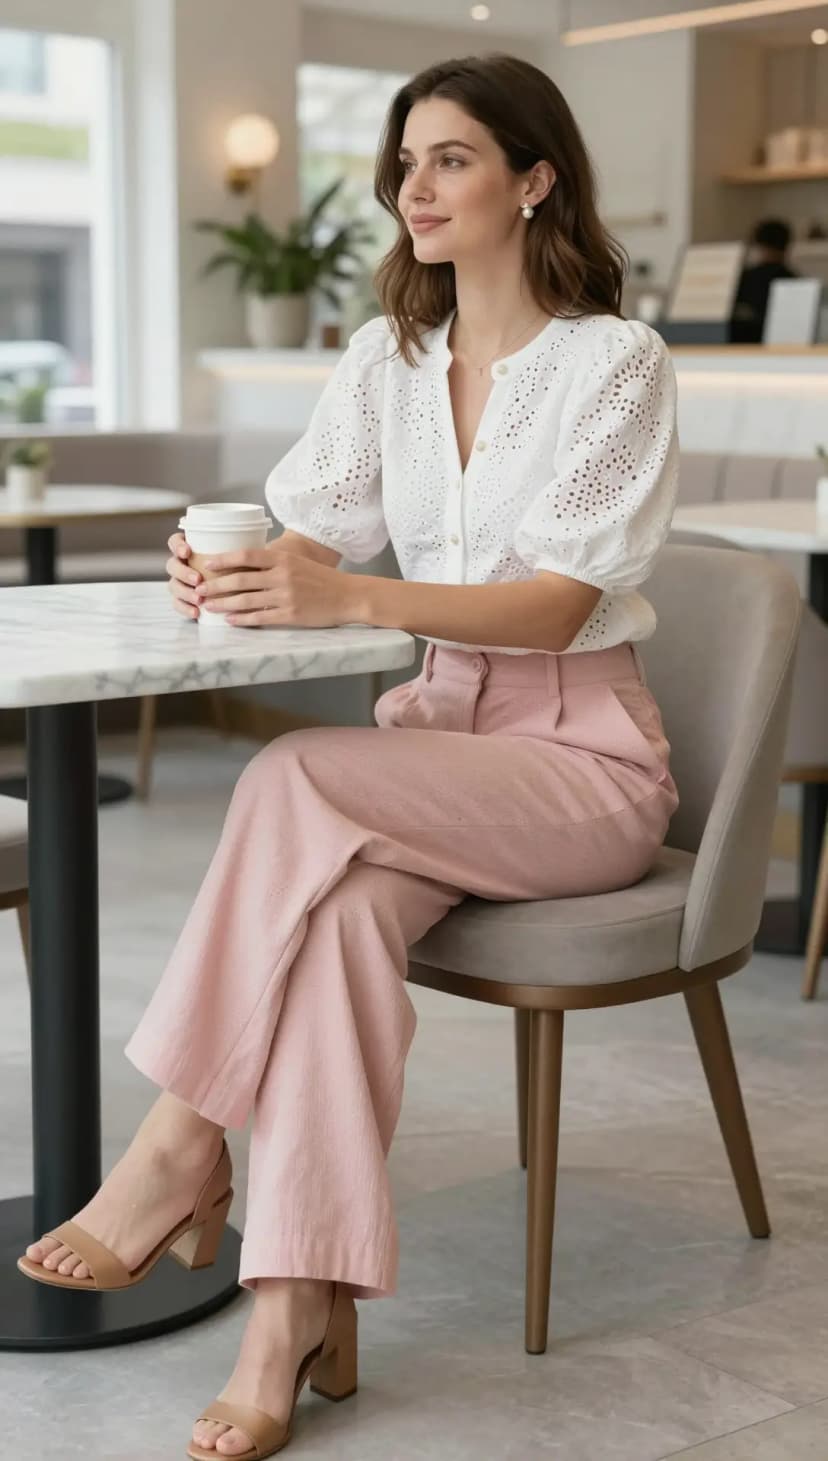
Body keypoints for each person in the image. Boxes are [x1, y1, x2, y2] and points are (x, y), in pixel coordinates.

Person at [16, 53, 681, 1460]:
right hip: (439, 745)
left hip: (582, 765)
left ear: (535, 177)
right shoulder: (391, 357)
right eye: (406, 161)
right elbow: (316, 526)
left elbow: (561, 603)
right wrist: (240, 564)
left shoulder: (615, 362)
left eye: (450, 158)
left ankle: (179, 1141)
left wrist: (350, 600)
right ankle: (293, 1313)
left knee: (291, 773)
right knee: (327, 940)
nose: (411, 188)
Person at [731, 218, 798, 344]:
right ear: (787, 246)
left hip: (738, 350)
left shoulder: (740, 279)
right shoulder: (795, 282)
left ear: (758, 245)